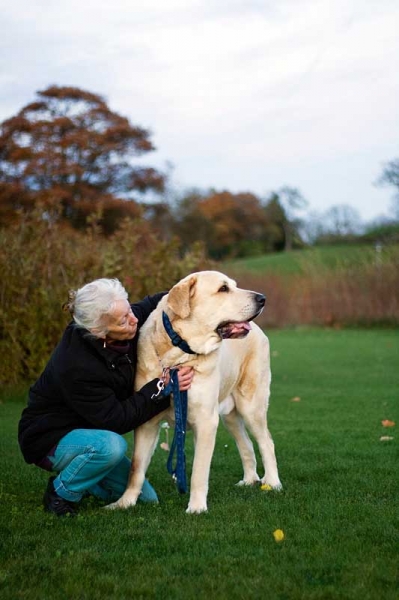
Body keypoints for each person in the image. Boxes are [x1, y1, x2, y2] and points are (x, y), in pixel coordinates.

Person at [18, 278, 194, 516]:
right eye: (123, 320)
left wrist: (193, 290)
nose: (134, 319)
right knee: (111, 447)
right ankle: (61, 493)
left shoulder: (128, 318)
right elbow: (116, 419)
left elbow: (157, 302)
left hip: (91, 429)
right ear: (98, 331)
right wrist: (161, 388)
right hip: (51, 437)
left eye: (129, 310)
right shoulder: (76, 366)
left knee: (145, 500)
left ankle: (89, 478)